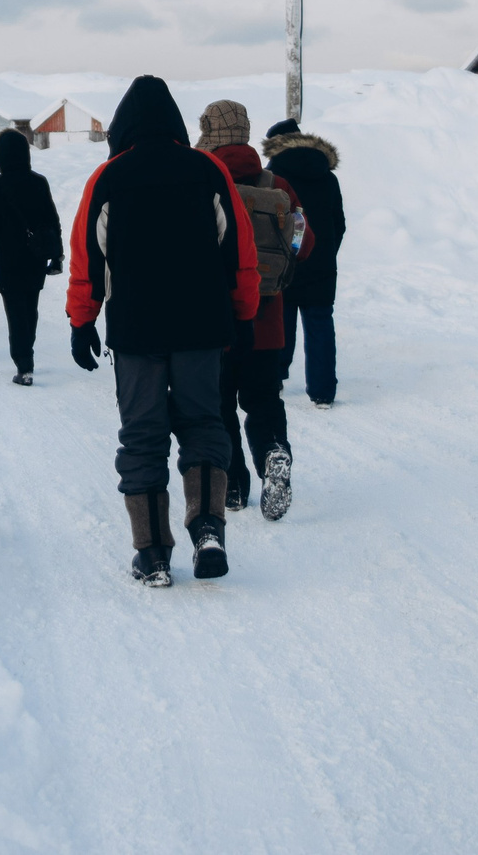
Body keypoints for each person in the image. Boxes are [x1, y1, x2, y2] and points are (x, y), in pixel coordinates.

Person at [67, 76, 261, 587]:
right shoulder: (207, 169)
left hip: (136, 331)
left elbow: (89, 256)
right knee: (202, 423)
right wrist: (243, 314)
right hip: (201, 327)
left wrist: (82, 319)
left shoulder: (108, 177)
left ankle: (152, 554)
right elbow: (238, 249)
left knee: (142, 435)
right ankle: (208, 529)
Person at [199, 101, 299, 521]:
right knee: (263, 400)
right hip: (268, 321)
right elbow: (302, 242)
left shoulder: (202, 178)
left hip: (217, 322)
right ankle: (274, 453)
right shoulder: (278, 182)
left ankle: (234, 488)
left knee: (219, 405)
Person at [263, 117, 345, 409]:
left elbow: (272, 222)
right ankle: (322, 393)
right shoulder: (327, 176)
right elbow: (339, 224)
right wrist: (325, 252)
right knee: (320, 323)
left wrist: (286, 251)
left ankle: (277, 377)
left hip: (286, 261)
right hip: (322, 263)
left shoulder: (273, 176)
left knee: (281, 319)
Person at [0, 127, 63, 385]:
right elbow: (52, 221)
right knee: (30, 310)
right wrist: (57, 257)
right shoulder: (39, 182)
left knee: (15, 313)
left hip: (8, 260)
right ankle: (27, 357)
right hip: (35, 257)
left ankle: (24, 365)